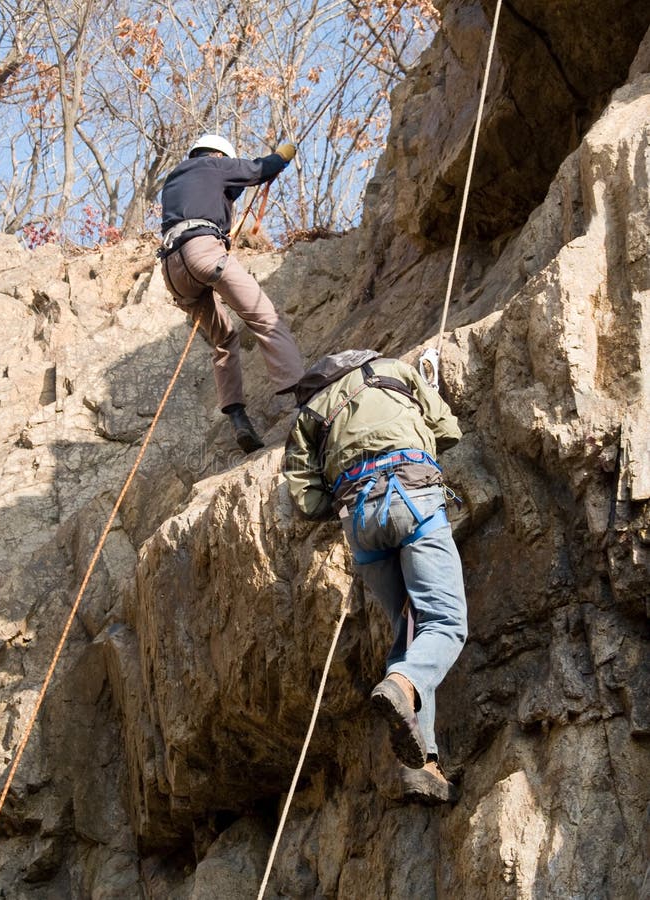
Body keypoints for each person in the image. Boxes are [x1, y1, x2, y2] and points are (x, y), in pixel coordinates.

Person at [283, 349, 467, 804]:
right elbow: (449, 430)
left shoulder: (311, 413)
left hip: (361, 522)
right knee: (444, 623)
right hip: (414, 498)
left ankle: (421, 767)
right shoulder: (396, 371)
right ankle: (403, 686)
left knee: (408, 633)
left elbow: (305, 502)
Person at [159, 133, 305, 453]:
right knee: (265, 317)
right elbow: (255, 170)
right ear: (218, 156)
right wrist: (281, 158)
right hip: (203, 252)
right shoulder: (215, 165)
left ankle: (239, 420)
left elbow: (224, 192)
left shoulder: (176, 179)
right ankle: (305, 402)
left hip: (173, 269)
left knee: (223, 339)